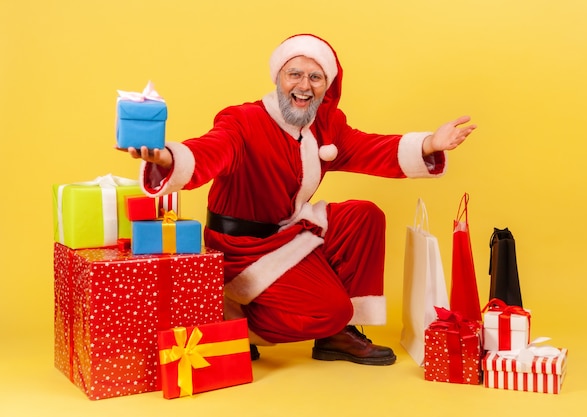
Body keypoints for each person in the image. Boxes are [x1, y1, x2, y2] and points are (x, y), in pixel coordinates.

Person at [127, 34, 476, 366]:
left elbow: (370, 149)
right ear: (278, 77)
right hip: (243, 246)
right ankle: (234, 328)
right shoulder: (243, 120)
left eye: (315, 77)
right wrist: (168, 159)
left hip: (289, 230)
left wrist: (430, 143)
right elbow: (210, 150)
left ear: (327, 86)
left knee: (364, 215)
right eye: (294, 74)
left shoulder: (327, 125)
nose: (304, 86)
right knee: (329, 309)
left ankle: (337, 335)